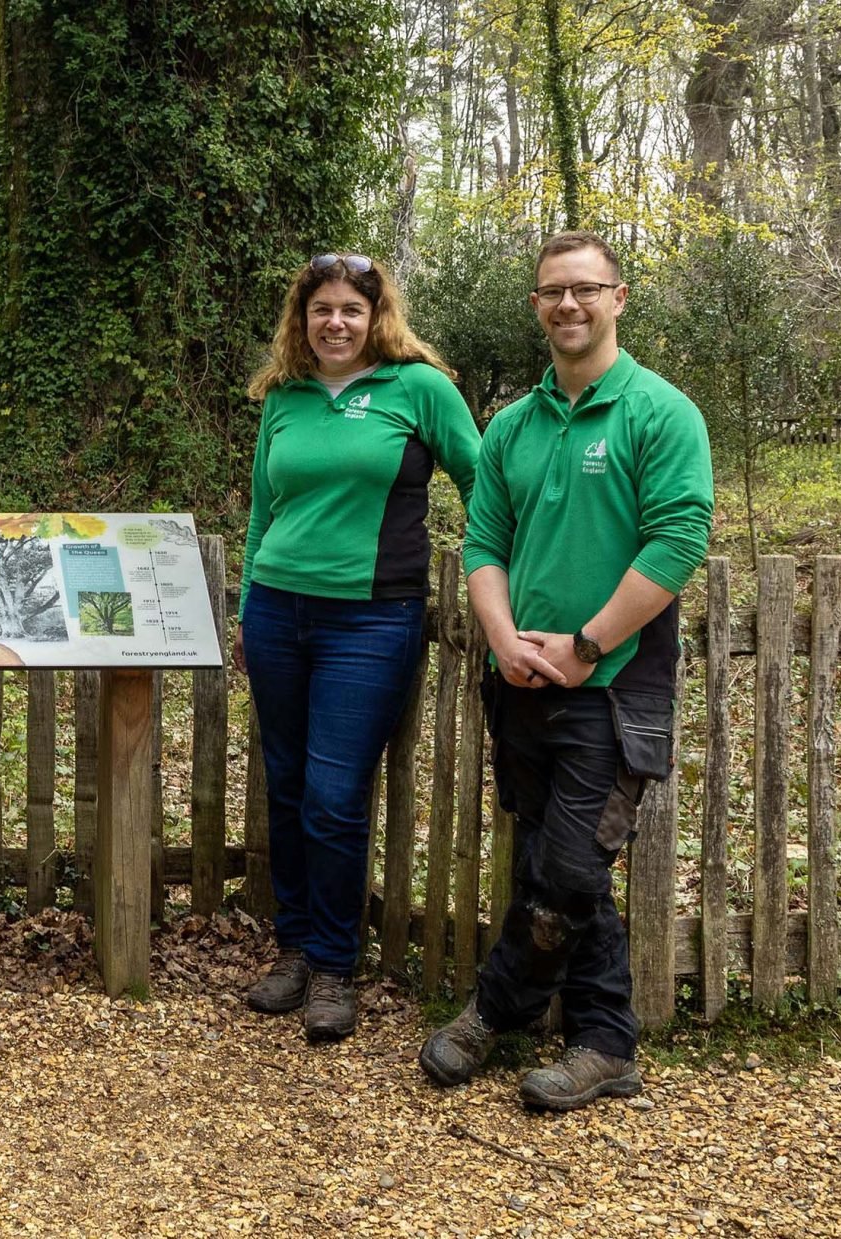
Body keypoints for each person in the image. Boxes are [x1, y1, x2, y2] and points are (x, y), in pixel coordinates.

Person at [419, 231, 712, 1111]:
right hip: (520, 680)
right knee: (551, 863)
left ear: (619, 298)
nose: (568, 305)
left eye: (586, 289)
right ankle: (604, 1040)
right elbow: (484, 541)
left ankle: (493, 1009)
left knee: (573, 871)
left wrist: (586, 646)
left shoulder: (661, 414)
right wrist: (505, 638)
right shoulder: (511, 425)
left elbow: (677, 539)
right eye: (552, 292)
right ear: (537, 306)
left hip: (614, 684)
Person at [235, 252, 480, 1042]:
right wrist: (247, 610)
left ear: (378, 317)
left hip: (369, 622)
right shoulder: (284, 397)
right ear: (300, 320)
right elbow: (262, 513)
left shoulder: (419, 389)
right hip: (278, 612)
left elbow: (485, 483)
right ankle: (296, 951)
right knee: (286, 785)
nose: (335, 322)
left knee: (334, 796)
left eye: (351, 308)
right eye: (321, 310)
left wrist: (498, 576)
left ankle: (336, 965)